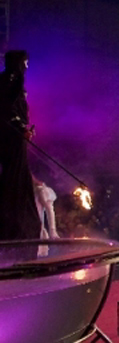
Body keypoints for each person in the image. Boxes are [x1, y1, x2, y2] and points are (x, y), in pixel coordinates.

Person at [0, 50, 41, 241]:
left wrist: (25, 128)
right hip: (9, 141)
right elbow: (6, 111)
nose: (27, 67)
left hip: (16, 141)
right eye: (24, 63)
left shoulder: (15, 82)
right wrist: (18, 128)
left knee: (20, 183)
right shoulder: (8, 82)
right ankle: (14, 231)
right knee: (13, 182)